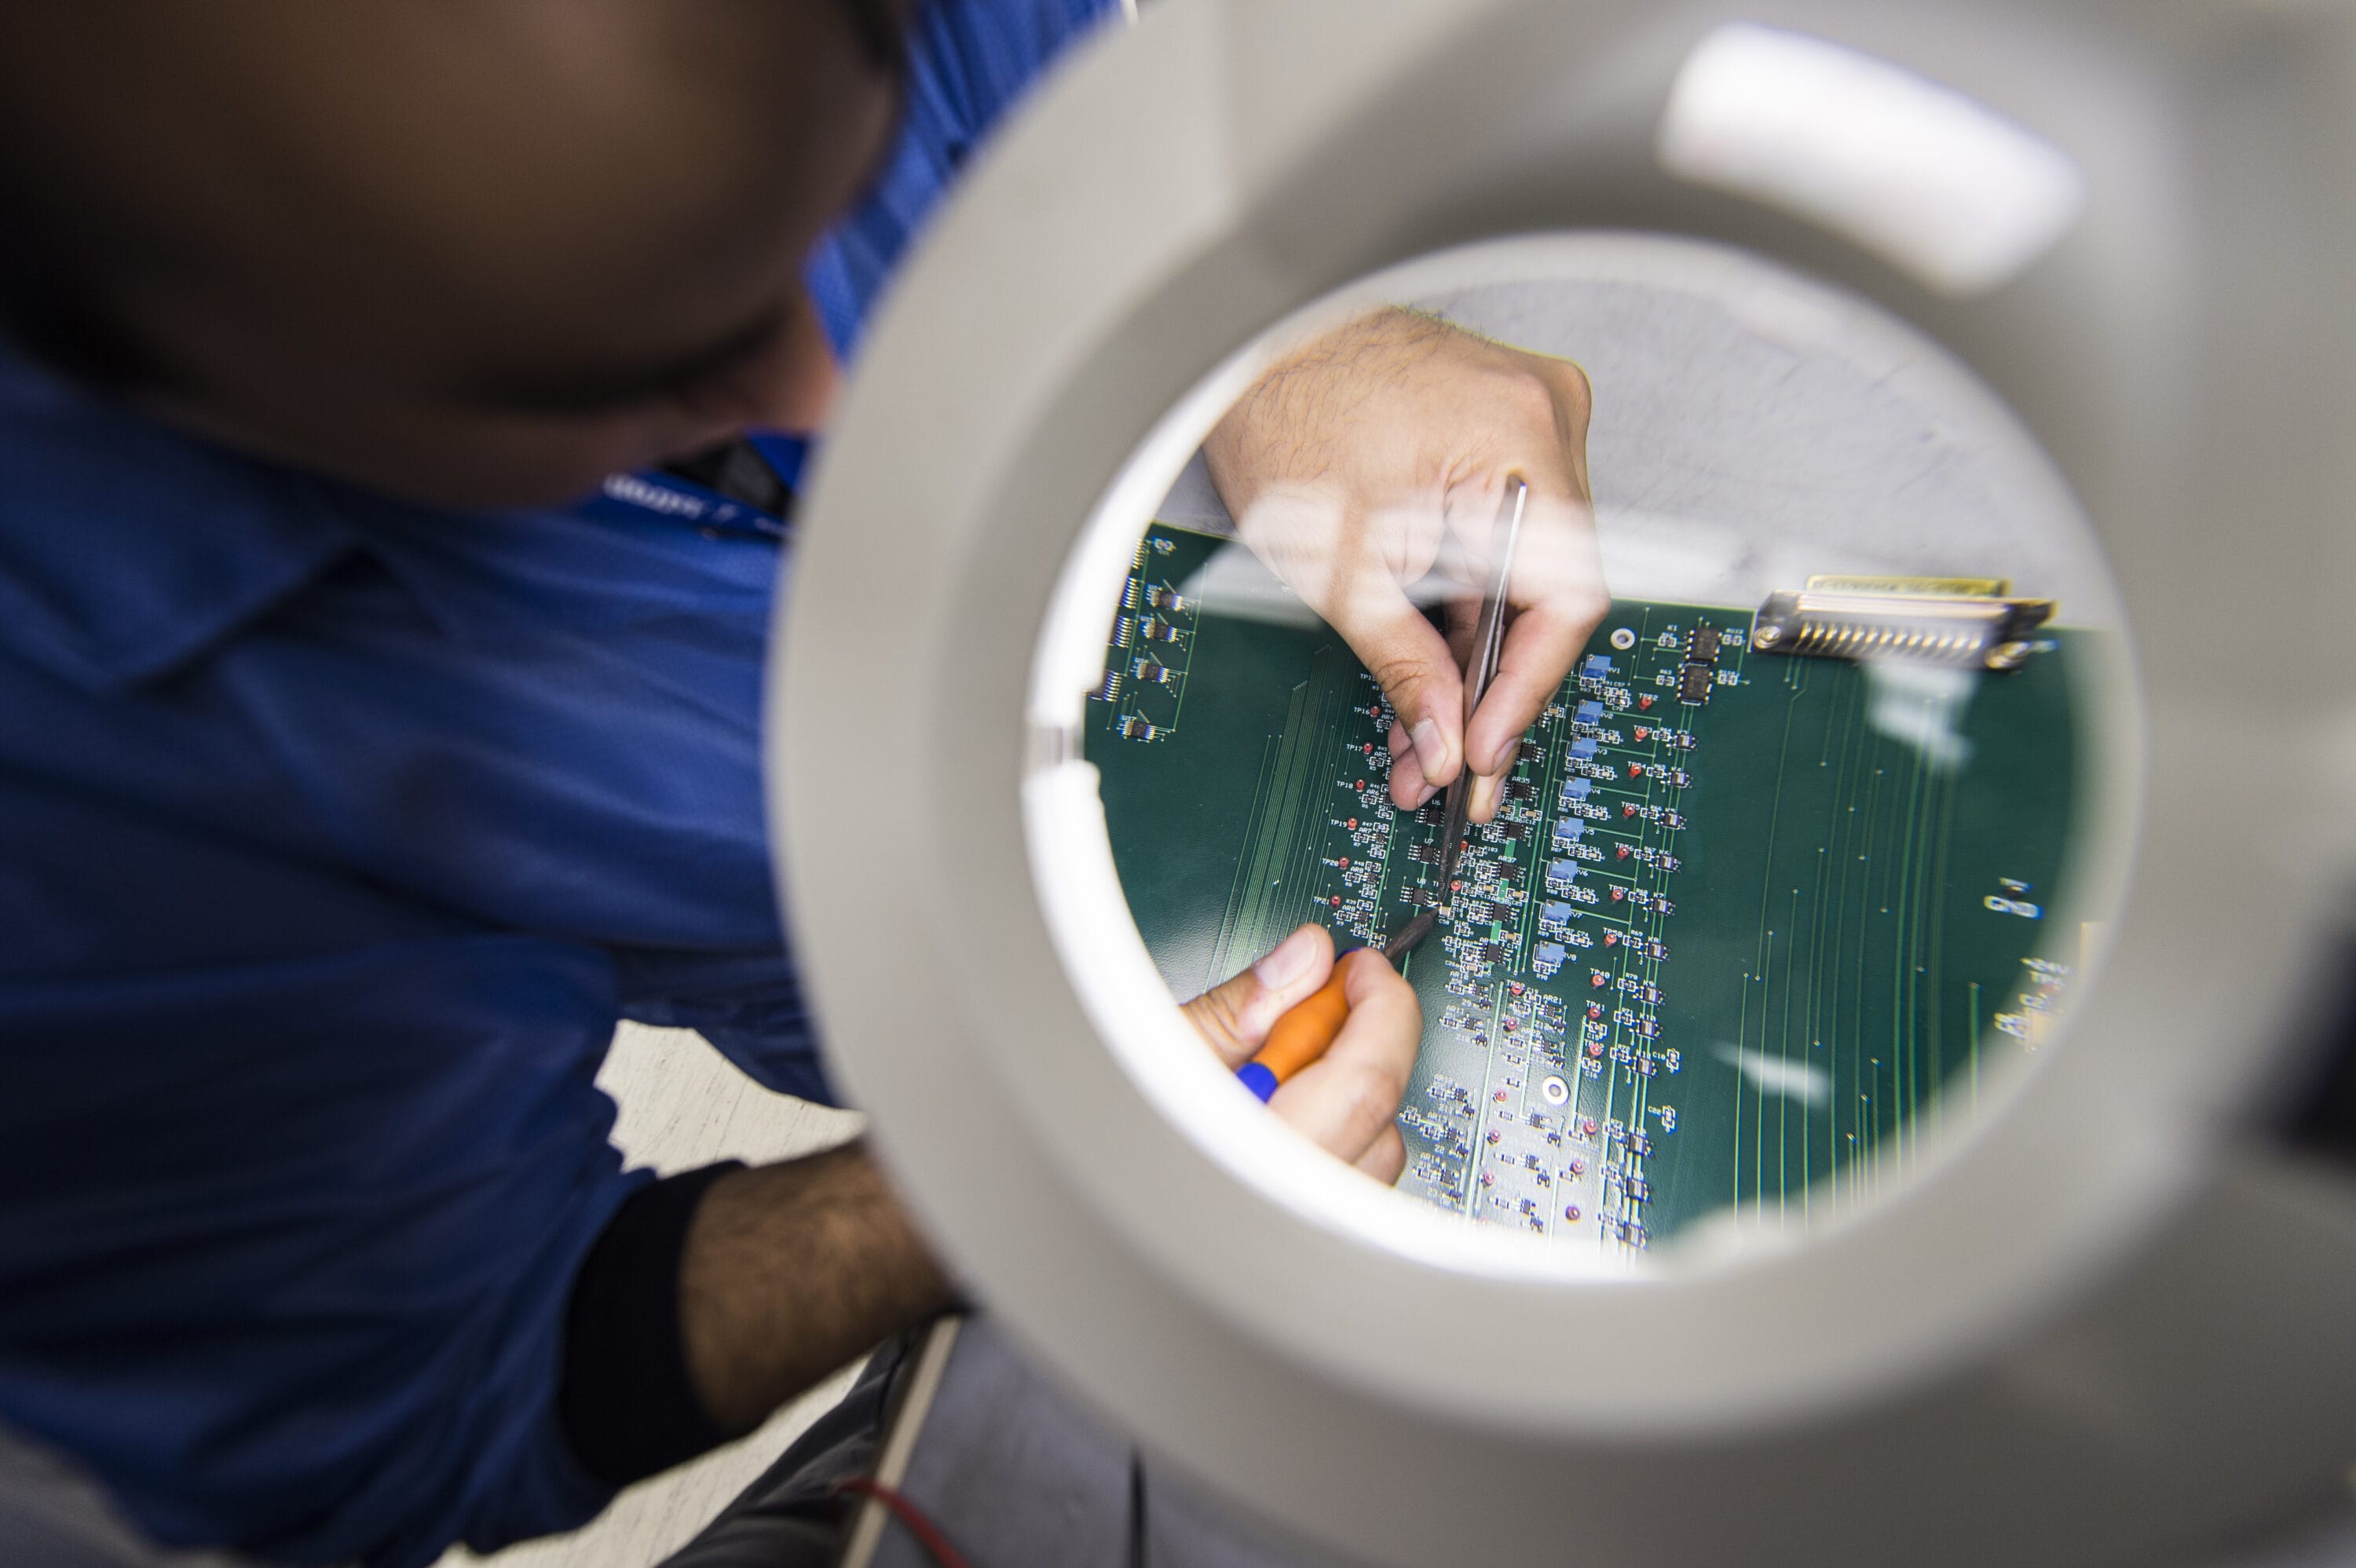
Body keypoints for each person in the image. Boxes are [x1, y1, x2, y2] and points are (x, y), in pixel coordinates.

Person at [0, 2, 1601, 1563]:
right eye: (641, 374)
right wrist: (1018, 1198)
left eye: (831, 203)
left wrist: (1282, 342)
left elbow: (1070, 87)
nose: (835, 393)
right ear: (211, 396)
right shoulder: (82, 816)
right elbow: (458, 1387)